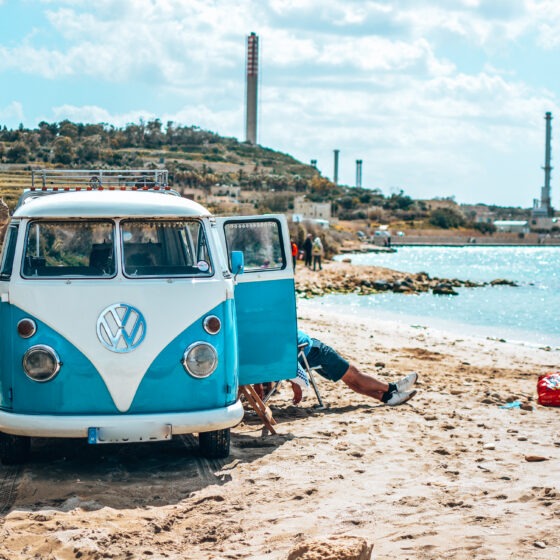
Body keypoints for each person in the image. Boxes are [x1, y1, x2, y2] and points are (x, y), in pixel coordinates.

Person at [293, 330, 417, 406]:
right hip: (310, 350)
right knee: (352, 374)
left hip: (301, 354)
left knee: (347, 377)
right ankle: (392, 388)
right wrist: (295, 382)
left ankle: (387, 397)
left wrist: (294, 381)